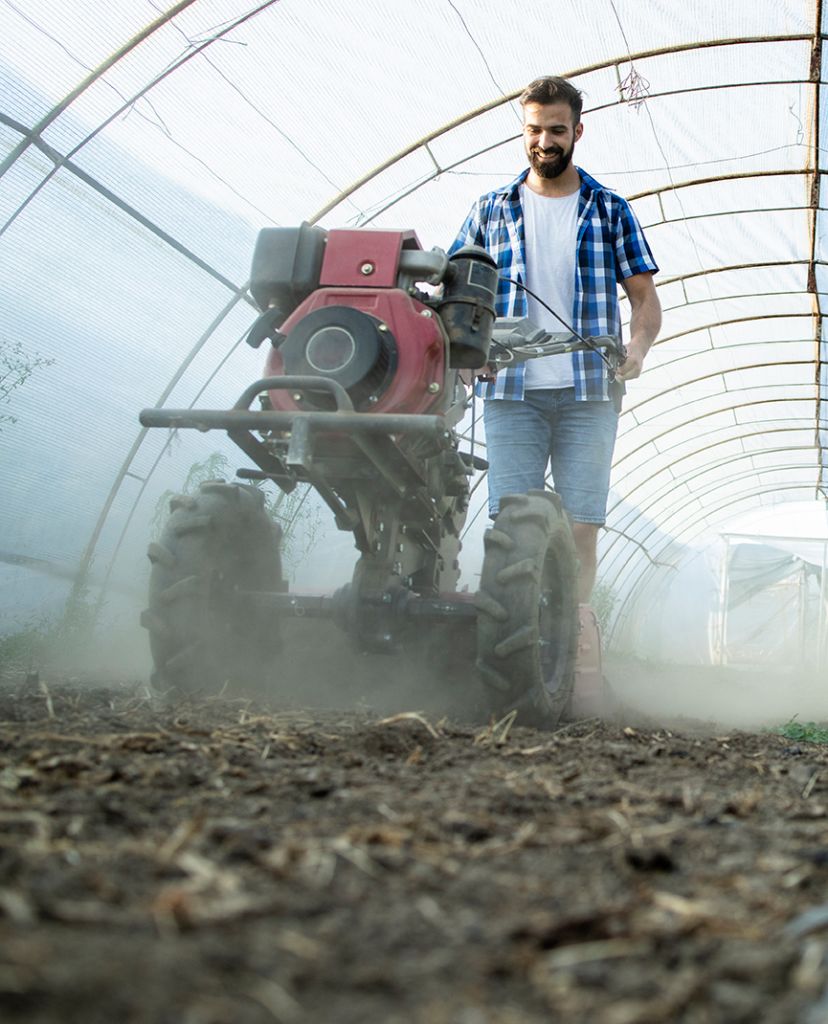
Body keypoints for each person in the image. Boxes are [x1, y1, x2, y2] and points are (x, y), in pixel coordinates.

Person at [450, 75, 661, 602]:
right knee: (511, 528)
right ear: (524, 130)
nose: (545, 141)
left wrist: (636, 349)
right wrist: (464, 354)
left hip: (589, 392)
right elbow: (456, 295)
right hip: (510, 390)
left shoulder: (609, 209)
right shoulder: (489, 210)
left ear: (578, 132)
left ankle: (573, 642)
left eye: (557, 130)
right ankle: (516, 640)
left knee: (581, 527)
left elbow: (644, 301)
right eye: (535, 129)